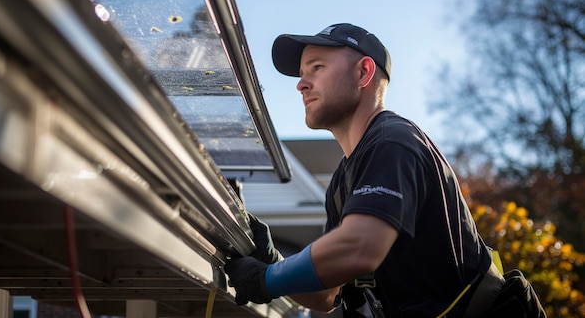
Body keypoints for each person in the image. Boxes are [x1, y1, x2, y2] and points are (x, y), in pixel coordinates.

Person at [224, 23, 545, 317]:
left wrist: (267, 279)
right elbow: (326, 294)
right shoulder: (343, 179)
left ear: (364, 73)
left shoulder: (392, 142)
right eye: (302, 73)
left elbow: (359, 249)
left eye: (317, 68)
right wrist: (273, 261)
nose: (301, 84)